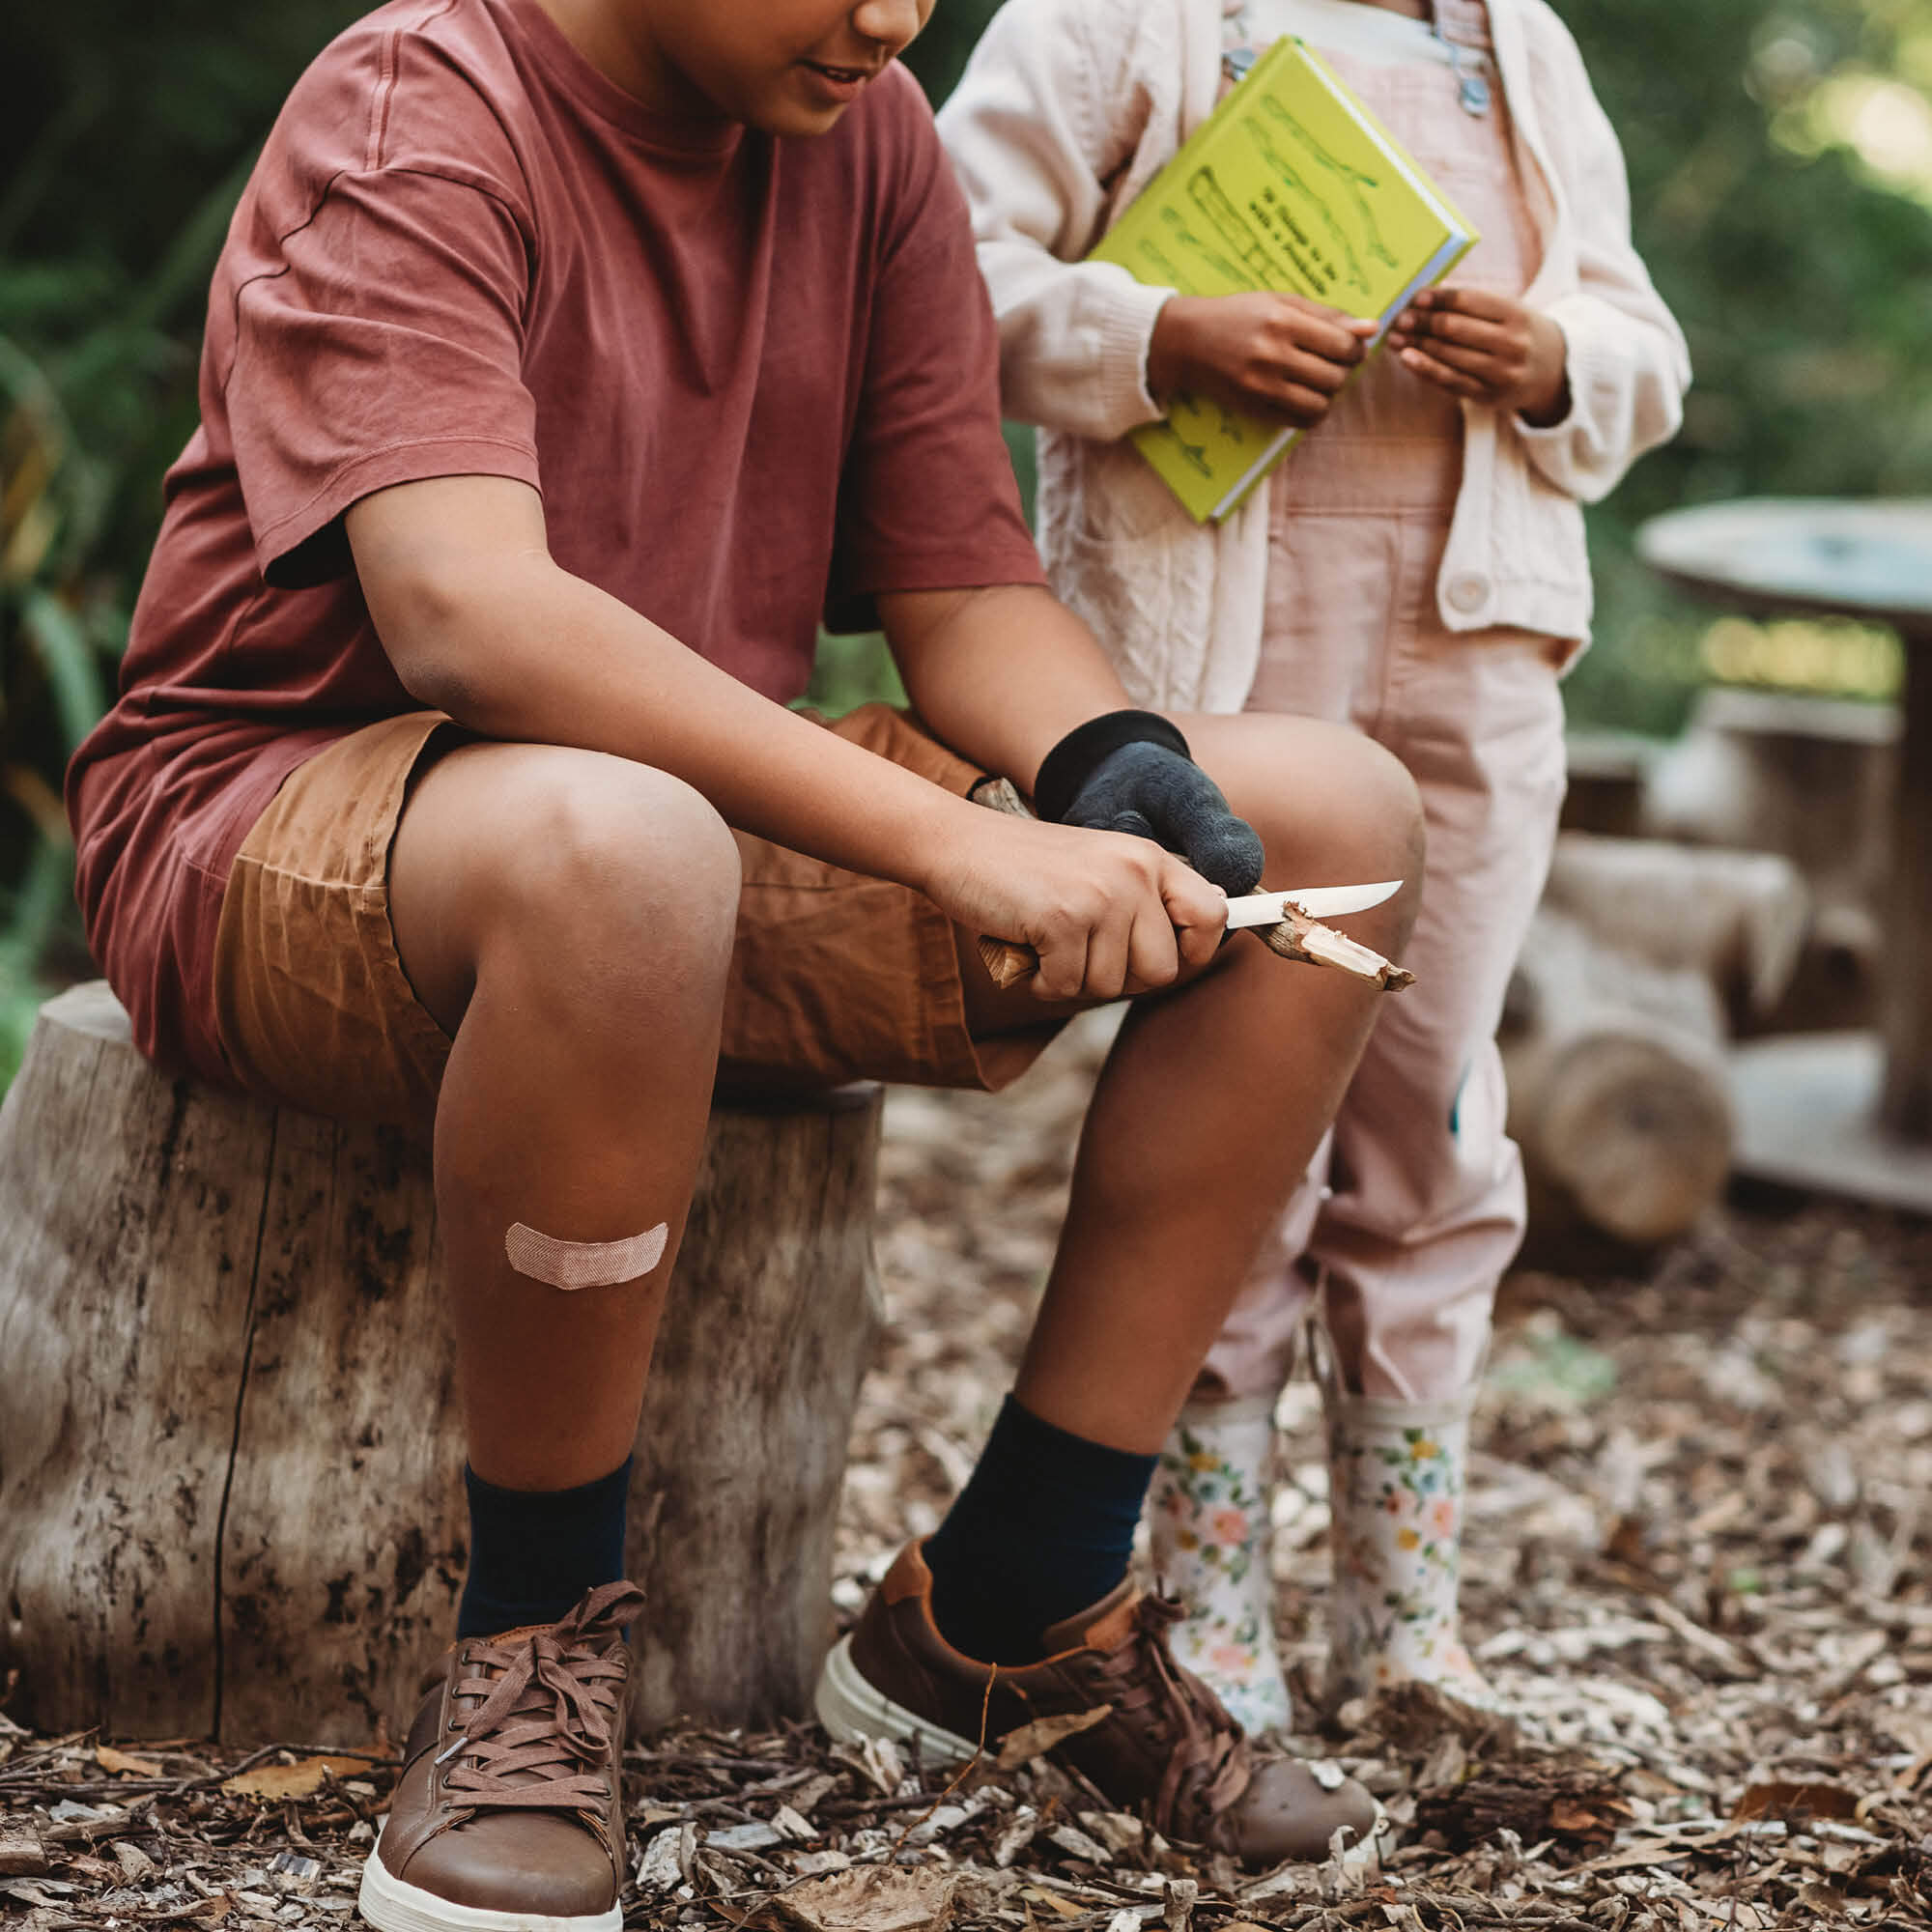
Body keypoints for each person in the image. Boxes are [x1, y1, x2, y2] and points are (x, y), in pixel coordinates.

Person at [67, 0, 1427, 1925]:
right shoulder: (418, 99)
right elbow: (465, 610)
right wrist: (963, 842)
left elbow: (959, 591)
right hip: (280, 816)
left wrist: (1116, 774)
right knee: (622, 849)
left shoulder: (861, 140)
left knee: (1334, 813)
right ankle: (534, 1649)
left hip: (684, 837)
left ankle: (1016, 1596)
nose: (891, 15)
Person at [938, 0, 1688, 1728]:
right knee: (1235, 1135)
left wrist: (1558, 359)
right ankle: (1203, 1614)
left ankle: (1406, 1626)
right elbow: (945, 283)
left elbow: (1644, 345)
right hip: (1226, 670)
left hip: (1475, 661)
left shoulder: (1520, 46)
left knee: (1435, 1124)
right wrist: (1157, 334)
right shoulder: (1111, 22)